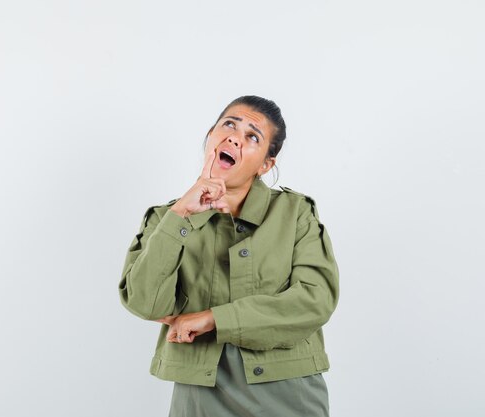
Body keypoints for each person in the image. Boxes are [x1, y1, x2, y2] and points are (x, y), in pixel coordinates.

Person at [118, 95, 340, 416]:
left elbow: (313, 301)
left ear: (266, 164)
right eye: (229, 125)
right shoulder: (166, 218)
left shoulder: (295, 213)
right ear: (211, 136)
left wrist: (213, 319)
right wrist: (182, 213)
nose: (235, 137)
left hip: (288, 395)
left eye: (253, 136)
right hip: (200, 399)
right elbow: (144, 302)